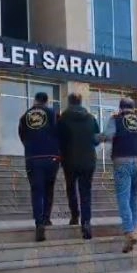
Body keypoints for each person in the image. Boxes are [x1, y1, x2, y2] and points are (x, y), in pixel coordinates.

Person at [101, 98, 137, 253]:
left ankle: (129, 231)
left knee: (123, 197)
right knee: (134, 197)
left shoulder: (115, 119)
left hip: (122, 162)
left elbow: (109, 135)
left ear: (120, 108)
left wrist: (99, 137)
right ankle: (134, 230)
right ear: (133, 108)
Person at [19, 92, 60, 242]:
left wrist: (31, 148)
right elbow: (60, 133)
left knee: (36, 191)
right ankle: (46, 218)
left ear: (35, 100)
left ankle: (39, 224)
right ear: (46, 101)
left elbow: (22, 136)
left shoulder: (25, 116)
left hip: (33, 158)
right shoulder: (53, 114)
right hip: (51, 157)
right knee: (49, 189)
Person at [58, 93, 100, 240]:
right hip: (88, 161)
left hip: (69, 160)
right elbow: (96, 140)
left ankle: (75, 215)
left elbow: (58, 139)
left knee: (71, 188)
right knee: (85, 192)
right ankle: (86, 223)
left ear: (69, 102)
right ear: (81, 102)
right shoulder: (91, 118)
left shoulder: (63, 119)